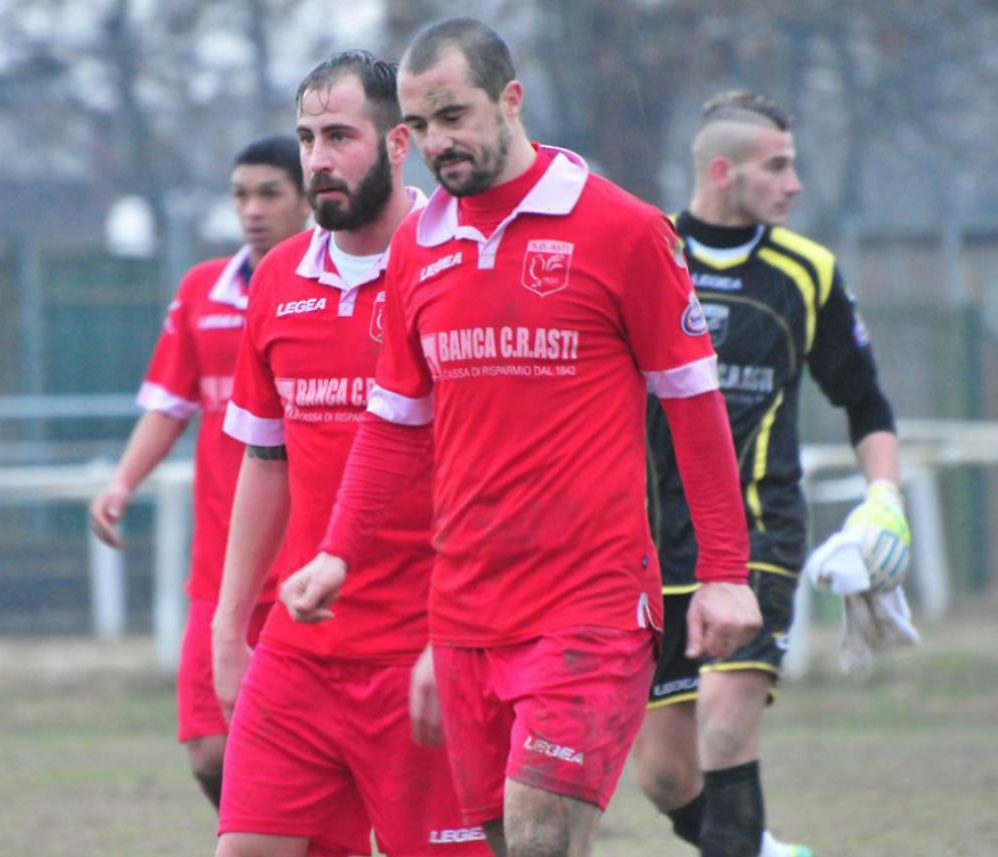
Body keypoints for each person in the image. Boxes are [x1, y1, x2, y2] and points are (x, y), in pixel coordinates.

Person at [279, 19, 762, 857]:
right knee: (509, 845)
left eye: (455, 116)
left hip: (590, 605)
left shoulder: (622, 230)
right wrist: (338, 552)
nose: (439, 144)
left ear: (511, 99)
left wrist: (723, 573)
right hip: (465, 612)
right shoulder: (417, 252)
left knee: (541, 833)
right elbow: (395, 424)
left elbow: (694, 406)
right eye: (421, 128)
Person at [212, 50, 488, 857]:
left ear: (401, 144)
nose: (318, 161)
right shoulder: (278, 279)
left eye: (340, 135)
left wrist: (457, 638)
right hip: (300, 653)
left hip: (425, 651)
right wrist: (233, 626)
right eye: (306, 138)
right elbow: (266, 463)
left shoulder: (460, 266)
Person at [635, 91, 908, 857]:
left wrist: (883, 502)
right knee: (663, 775)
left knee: (725, 726)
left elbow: (866, 402)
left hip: (760, 530)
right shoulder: (646, 253)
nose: (794, 184)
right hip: (653, 542)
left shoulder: (806, 271)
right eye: (778, 166)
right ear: (723, 171)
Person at [88, 134, 309, 809]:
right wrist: (123, 482)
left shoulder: (328, 290)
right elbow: (168, 405)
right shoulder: (201, 291)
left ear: (307, 199)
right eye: (241, 194)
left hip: (310, 571)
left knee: (314, 751)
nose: (252, 209)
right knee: (212, 749)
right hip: (222, 571)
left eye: (270, 192)